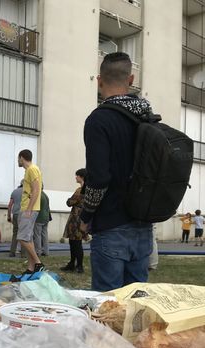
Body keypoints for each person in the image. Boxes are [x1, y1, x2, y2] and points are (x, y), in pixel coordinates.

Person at [80, 52, 153, 291]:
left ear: (99, 80)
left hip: (111, 226)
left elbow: (99, 179)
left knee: (107, 308)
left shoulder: (99, 120)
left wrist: (85, 217)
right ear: (131, 80)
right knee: (135, 307)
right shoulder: (147, 119)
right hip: (143, 225)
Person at [17, 149, 44, 275]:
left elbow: (36, 189)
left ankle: (38, 263)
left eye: (19, 159)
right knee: (28, 239)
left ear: (22, 158)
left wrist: (29, 208)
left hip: (29, 209)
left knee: (22, 238)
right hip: (28, 208)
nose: (18, 161)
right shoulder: (31, 170)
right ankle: (31, 267)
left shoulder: (32, 169)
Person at [61, 168, 88, 273]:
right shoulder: (88, 189)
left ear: (81, 177)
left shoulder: (80, 189)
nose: (75, 177)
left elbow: (70, 202)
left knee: (76, 242)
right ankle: (73, 264)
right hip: (81, 217)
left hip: (76, 218)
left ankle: (79, 266)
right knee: (74, 242)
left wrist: (69, 200)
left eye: (77, 175)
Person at [7, 181, 23, 257]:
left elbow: (10, 205)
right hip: (24, 214)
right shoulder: (28, 191)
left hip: (16, 214)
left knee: (15, 234)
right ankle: (24, 254)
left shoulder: (15, 192)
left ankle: (12, 252)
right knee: (24, 234)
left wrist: (9, 216)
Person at [33, 188, 50, 257]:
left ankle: (38, 252)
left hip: (39, 217)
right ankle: (46, 251)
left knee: (37, 235)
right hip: (46, 217)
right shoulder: (45, 195)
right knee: (45, 235)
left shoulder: (38, 195)